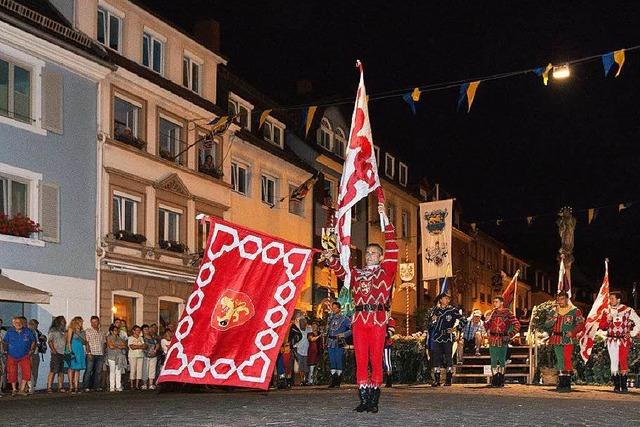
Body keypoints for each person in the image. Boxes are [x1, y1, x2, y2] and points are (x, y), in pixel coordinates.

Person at [324, 202, 398, 414]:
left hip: (377, 319)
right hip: (359, 320)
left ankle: (374, 399)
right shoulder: (357, 273)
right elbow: (341, 272)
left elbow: (393, 247)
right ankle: (363, 398)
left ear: (381, 257)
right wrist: (331, 260)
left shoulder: (386, 271)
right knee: (360, 360)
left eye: (374, 253)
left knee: (376, 359)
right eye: (367, 253)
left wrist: (386, 221)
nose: (369, 256)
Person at [598, 291, 640, 393]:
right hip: (611, 339)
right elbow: (602, 326)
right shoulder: (606, 311)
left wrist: (632, 333)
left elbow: (638, 322)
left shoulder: (628, 310)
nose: (610, 301)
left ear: (618, 299)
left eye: (612, 298)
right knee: (614, 361)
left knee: (623, 360)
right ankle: (617, 385)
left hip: (623, 340)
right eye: (610, 299)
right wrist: (608, 321)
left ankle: (624, 386)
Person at [545, 291, 585, 392]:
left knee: (567, 358)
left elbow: (581, 324)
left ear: (567, 299)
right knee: (560, 359)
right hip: (557, 338)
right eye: (558, 299)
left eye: (562, 299)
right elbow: (546, 325)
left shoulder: (575, 311)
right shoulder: (553, 311)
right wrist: (552, 320)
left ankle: (567, 383)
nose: (560, 301)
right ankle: (561, 383)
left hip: (568, 339)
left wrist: (573, 332)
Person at [428, 293, 466, 387]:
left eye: (448, 298)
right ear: (440, 300)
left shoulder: (452, 310)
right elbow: (430, 324)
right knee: (436, 358)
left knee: (448, 358)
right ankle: (437, 380)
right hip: (437, 336)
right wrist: (432, 321)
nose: (447, 300)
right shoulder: (435, 310)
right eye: (445, 298)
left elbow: (463, 319)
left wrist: (456, 328)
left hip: (447, 336)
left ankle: (448, 379)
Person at [484, 297, 520, 387]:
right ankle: (495, 379)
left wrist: (510, 335)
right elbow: (487, 326)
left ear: (502, 303)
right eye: (494, 302)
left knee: (502, 360)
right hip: (492, 338)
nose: (494, 303)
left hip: (502, 339)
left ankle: (501, 379)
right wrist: (486, 321)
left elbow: (517, 324)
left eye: (496, 302)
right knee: (493, 360)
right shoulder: (493, 312)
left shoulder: (508, 313)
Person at [2, 316, 36, 395]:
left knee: (27, 372)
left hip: (25, 355)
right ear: (13, 324)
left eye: (20, 322)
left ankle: (22, 389)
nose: (19, 324)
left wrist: (31, 350)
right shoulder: (9, 332)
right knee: (12, 372)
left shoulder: (27, 331)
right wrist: (6, 351)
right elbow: (5, 342)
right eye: (16, 322)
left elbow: (33, 341)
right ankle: (14, 389)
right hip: (12, 355)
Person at [325, 301, 351, 388]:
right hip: (330, 342)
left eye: (335, 308)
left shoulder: (345, 319)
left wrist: (344, 334)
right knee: (332, 361)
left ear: (339, 309)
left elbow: (352, 329)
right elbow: (327, 330)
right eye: (332, 308)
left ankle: (338, 380)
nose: (333, 309)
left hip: (339, 342)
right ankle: (333, 379)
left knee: (338, 360)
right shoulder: (330, 318)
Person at [65, 316, 87, 394]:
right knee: (71, 368)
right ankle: (71, 386)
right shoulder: (71, 329)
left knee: (77, 368)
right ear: (76, 322)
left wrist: (80, 334)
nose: (81, 323)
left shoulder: (82, 331)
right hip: (73, 349)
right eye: (80, 322)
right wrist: (71, 352)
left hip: (79, 349)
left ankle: (76, 386)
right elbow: (68, 341)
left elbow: (84, 342)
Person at [83, 316, 105, 392]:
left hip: (100, 354)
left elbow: (103, 343)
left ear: (98, 322)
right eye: (92, 322)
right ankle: (86, 386)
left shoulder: (102, 332)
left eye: (95, 322)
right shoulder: (88, 331)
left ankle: (97, 386)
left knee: (98, 371)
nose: (94, 324)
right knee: (89, 370)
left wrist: (103, 352)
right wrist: (88, 352)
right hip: (91, 353)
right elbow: (86, 342)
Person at [46, 316, 67, 393]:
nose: (64, 322)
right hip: (56, 353)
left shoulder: (63, 331)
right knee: (53, 370)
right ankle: (49, 387)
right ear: (58, 321)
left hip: (63, 353)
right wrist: (53, 350)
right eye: (63, 321)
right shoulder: (53, 330)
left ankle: (60, 386)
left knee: (61, 371)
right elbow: (50, 341)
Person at [28, 319, 47, 394]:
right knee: (29, 371)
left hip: (36, 353)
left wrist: (43, 338)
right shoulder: (27, 332)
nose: (35, 326)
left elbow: (44, 339)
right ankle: (28, 387)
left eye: (36, 325)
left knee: (35, 371)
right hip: (30, 353)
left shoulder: (37, 332)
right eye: (34, 325)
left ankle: (33, 386)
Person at [106, 324, 127, 392]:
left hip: (119, 356)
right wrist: (118, 346)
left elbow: (124, 345)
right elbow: (110, 346)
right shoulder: (109, 337)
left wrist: (115, 345)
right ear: (111, 331)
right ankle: (112, 386)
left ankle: (118, 386)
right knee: (112, 371)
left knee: (118, 371)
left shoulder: (119, 337)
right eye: (115, 330)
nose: (116, 331)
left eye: (117, 330)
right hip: (111, 356)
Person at [127, 325, 146, 390]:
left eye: (139, 330)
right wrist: (140, 346)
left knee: (139, 370)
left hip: (140, 355)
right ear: (133, 331)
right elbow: (132, 347)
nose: (138, 331)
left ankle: (137, 385)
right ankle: (132, 385)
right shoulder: (130, 338)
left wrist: (137, 346)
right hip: (133, 356)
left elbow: (144, 346)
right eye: (137, 330)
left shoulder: (141, 338)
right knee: (133, 370)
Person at [141, 324, 159, 390]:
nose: (147, 330)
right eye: (145, 329)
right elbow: (142, 346)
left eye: (147, 329)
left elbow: (157, 344)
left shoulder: (152, 337)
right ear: (142, 330)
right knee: (145, 369)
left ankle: (151, 384)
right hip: (146, 355)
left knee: (152, 370)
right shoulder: (142, 338)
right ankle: (144, 384)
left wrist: (155, 350)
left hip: (153, 355)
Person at [295, 318, 311, 386]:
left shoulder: (309, 330)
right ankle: (302, 380)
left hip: (307, 351)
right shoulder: (297, 331)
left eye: (304, 323)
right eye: (301, 323)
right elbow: (295, 341)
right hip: (299, 351)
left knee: (306, 366)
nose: (303, 324)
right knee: (301, 367)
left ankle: (306, 379)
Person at [383, 316, 396, 388]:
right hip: (378, 344)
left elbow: (391, 332)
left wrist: (382, 335)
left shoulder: (390, 320)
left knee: (387, 362)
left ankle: (389, 380)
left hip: (386, 344)